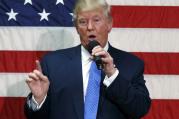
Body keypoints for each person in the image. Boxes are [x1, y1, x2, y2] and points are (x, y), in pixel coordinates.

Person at [24, 0, 151, 119]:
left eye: (96, 20)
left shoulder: (132, 64)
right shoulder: (52, 63)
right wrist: (39, 99)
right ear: (77, 28)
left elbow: (139, 109)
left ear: (109, 24)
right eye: (83, 22)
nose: (90, 27)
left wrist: (113, 75)